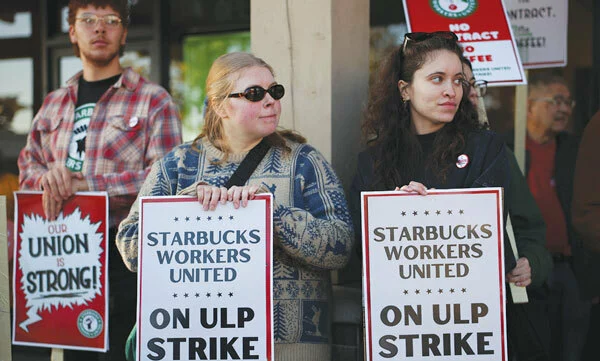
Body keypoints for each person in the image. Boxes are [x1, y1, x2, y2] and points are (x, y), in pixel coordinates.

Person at [116, 52, 354, 361]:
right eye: (255, 94)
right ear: (219, 105)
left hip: (290, 350)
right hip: (198, 345)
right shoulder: (175, 166)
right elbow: (130, 249)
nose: (270, 101)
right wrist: (183, 212)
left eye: (275, 91)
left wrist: (275, 218)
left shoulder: (304, 162)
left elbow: (341, 247)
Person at [350, 31, 549, 360]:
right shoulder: (373, 161)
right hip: (404, 331)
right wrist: (395, 211)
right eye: (437, 79)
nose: (450, 91)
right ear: (404, 90)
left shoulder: (487, 149)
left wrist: (531, 264)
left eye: (458, 80)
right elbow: (359, 248)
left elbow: (511, 236)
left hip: (476, 328)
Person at [17, 0, 182, 359]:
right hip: (60, 252)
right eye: (88, 20)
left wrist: (86, 185)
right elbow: (27, 169)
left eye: (111, 20)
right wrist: (49, 179)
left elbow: (167, 183)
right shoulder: (53, 104)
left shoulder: (154, 101)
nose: (100, 28)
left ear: (123, 32)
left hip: (124, 257)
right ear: (73, 31)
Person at [463, 59, 552, 359]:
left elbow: (531, 231)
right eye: (464, 84)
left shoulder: (498, 155)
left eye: (475, 85)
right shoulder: (388, 156)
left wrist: (530, 263)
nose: (473, 93)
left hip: (496, 319)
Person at [505, 72, 590, 361]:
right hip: (523, 271)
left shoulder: (575, 150)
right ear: (528, 106)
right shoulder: (503, 149)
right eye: (556, 101)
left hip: (570, 269)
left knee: (573, 348)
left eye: (568, 102)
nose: (564, 109)